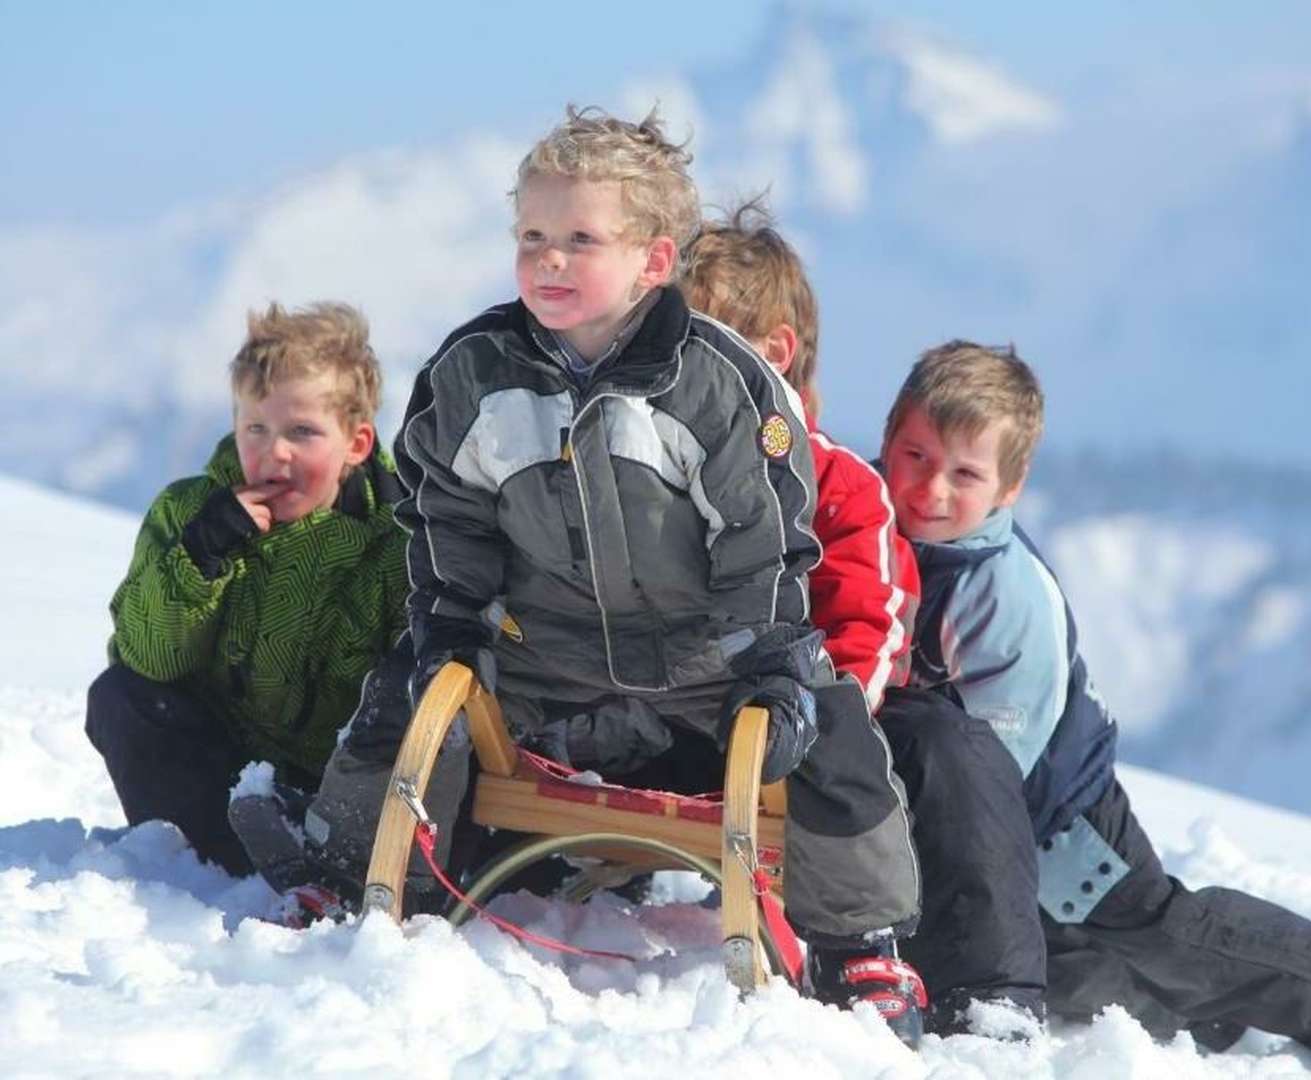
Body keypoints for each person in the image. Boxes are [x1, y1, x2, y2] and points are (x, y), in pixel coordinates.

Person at [243, 108, 927, 1043]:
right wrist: (455, 624)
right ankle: (354, 868)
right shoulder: (475, 373)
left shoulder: (719, 386)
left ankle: (860, 939)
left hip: (704, 656)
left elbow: (762, 536)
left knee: (832, 726)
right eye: (532, 237)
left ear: (653, 260)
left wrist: (766, 658)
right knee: (412, 693)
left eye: (578, 240)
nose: (548, 261)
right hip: (546, 652)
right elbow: (451, 515)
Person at [877, 340, 1311, 1059]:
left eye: (964, 473)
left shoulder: (1002, 592)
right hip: (998, 835)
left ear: (1010, 486)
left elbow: (993, 769)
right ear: (886, 437)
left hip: (1065, 826)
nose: (930, 488)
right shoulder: (882, 535)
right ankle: (1199, 1020)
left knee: (1169, 937)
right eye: (914, 456)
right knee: (1072, 965)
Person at [679, 199, 928, 1024]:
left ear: (773, 356)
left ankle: (859, 938)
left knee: (838, 716)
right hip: (661, 704)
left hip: (783, 723)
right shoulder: (653, 477)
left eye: (695, 353)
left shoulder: (838, 485)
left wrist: (827, 702)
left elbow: (869, 621)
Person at [85, 302, 409, 876]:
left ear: (356, 445)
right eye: (255, 428)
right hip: (220, 775)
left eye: (302, 432)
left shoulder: (394, 541)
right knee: (122, 696)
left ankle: (335, 860)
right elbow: (147, 657)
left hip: (336, 784)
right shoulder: (188, 512)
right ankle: (211, 860)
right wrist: (200, 559)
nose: (273, 451)